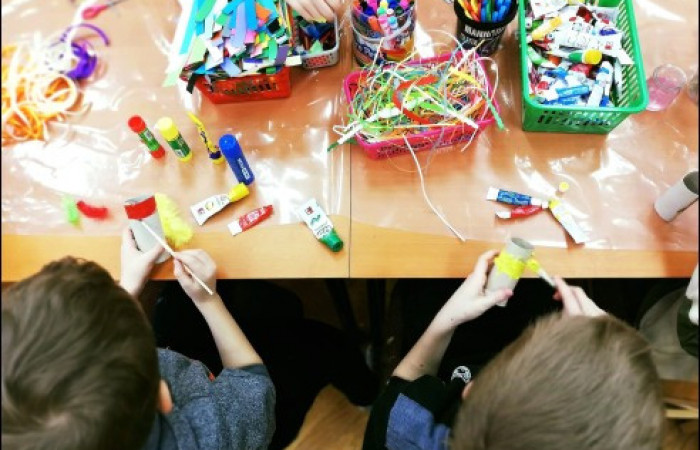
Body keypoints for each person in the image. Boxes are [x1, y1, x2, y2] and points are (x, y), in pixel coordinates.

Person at [2, 228, 276, 450]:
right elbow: (251, 381)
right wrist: (208, 300)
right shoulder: (213, 435)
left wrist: (127, 288)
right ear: (163, 396)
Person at [363, 250, 665, 450]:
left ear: (470, 389)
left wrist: (447, 318)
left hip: (449, 359)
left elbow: (404, 382)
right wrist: (609, 336)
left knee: (424, 286)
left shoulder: (405, 433)